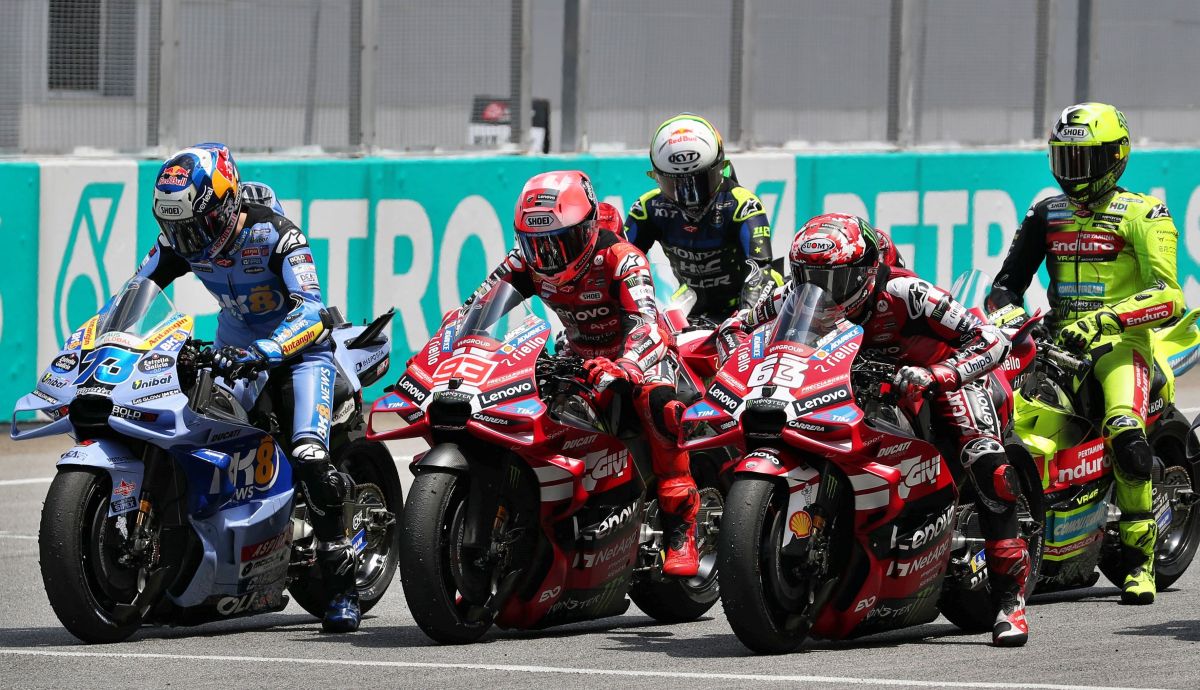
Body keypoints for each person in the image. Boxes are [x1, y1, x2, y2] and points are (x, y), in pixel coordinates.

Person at [722, 213, 1031, 646]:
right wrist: (735, 353)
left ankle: (1010, 602)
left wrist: (940, 374)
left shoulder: (908, 293)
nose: (822, 289)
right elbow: (736, 326)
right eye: (810, 277)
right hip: (859, 386)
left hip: (941, 380)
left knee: (987, 463)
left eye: (836, 278)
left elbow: (989, 339)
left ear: (866, 271)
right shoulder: (794, 293)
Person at [133, 143, 362, 632]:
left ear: (226, 204)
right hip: (232, 351)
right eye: (179, 230)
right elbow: (134, 293)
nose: (190, 241)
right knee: (187, 432)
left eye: (199, 226)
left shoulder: (277, 234)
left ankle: (342, 586)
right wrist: (106, 337)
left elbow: (312, 310)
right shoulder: (178, 241)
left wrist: (267, 350)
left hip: (301, 354)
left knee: (309, 456)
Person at [987, 102, 1183, 605]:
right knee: (998, 415)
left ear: (1115, 157)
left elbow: (1170, 297)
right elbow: (1005, 286)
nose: (1072, 172)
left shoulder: (1145, 214)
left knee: (1124, 431)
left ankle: (1139, 562)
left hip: (1122, 347)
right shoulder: (1046, 212)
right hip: (1055, 343)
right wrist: (1009, 317)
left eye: (1084, 160)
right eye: (1064, 159)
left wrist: (1108, 319)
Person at [465, 170, 701, 576]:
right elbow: (475, 308)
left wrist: (626, 365)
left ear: (589, 228)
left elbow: (646, 325)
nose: (549, 258)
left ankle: (681, 528)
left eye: (562, 242)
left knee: (658, 403)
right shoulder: (524, 262)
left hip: (639, 355)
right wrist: (448, 349)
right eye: (537, 245)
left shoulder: (623, 258)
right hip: (575, 355)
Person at [623, 113, 783, 322]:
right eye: (675, 184)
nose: (690, 197)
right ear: (657, 177)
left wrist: (745, 318)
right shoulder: (647, 207)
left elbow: (760, 269)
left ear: (720, 168)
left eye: (700, 181)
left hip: (743, 311)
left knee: (768, 280)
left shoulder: (743, 204)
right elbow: (621, 264)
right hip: (690, 312)